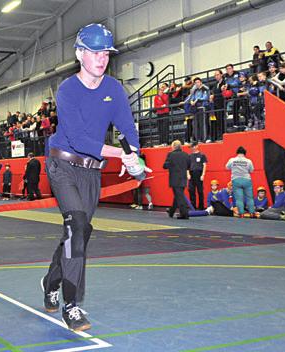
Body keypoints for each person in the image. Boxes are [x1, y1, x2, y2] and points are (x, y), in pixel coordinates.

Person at [41, 23, 143, 332]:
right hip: (62, 164)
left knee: (80, 232)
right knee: (75, 226)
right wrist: (120, 155)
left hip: (91, 173)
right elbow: (78, 138)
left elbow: (127, 127)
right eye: (95, 52)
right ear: (80, 54)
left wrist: (134, 153)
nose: (101, 59)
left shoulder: (113, 89)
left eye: (106, 54)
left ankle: (51, 280)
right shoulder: (67, 90)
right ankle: (72, 305)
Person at [163, 140, 190, 219]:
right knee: (178, 195)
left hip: (174, 178)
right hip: (183, 178)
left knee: (180, 196)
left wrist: (170, 165)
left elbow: (165, 166)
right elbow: (189, 166)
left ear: (174, 146)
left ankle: (185, 214)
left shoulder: (171, 154)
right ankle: (171, 212)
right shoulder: (186, 155)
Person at [226, 146, 255, 217]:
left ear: (237, 153)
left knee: (239, 199)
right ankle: (252, 213)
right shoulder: (248, 161)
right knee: (249, 198)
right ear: (245, 153)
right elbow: (252, 170)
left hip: (236, 180)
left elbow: (227, 167)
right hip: (246, 180)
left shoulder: (232, 160)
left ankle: (241, 213)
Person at [188, 142, 207, 210]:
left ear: (196, 146)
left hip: (199, 174)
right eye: (191, 147)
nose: (192, 148)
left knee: (200, 191)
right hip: (191, 174)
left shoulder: (202, 155)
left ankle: (201, 206)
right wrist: (188, 174)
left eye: (193, 146)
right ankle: (193, 206)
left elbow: (204, 165)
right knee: (191, 190)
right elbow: (187, 166)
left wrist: (203, 174)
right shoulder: (189, 156)